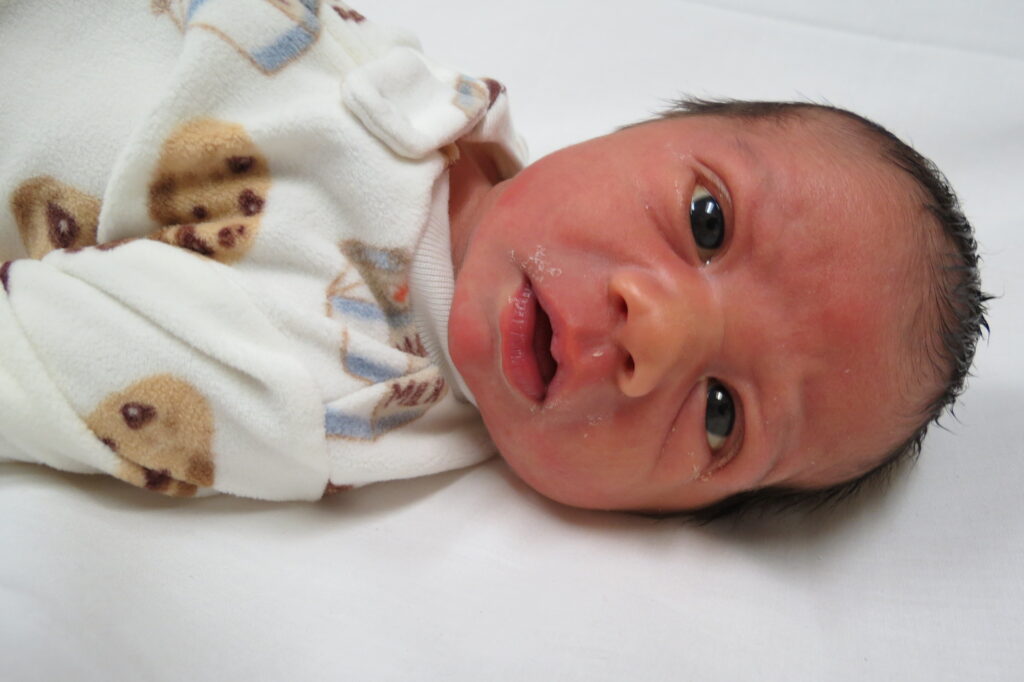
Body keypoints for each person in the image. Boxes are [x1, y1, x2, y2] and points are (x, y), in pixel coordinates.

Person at [0, 1, 986, 518]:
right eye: (706, 221)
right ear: (633, 130)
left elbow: (29, 365)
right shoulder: (437, 103)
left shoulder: (323, 395)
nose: (659, 331)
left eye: (722, 413)